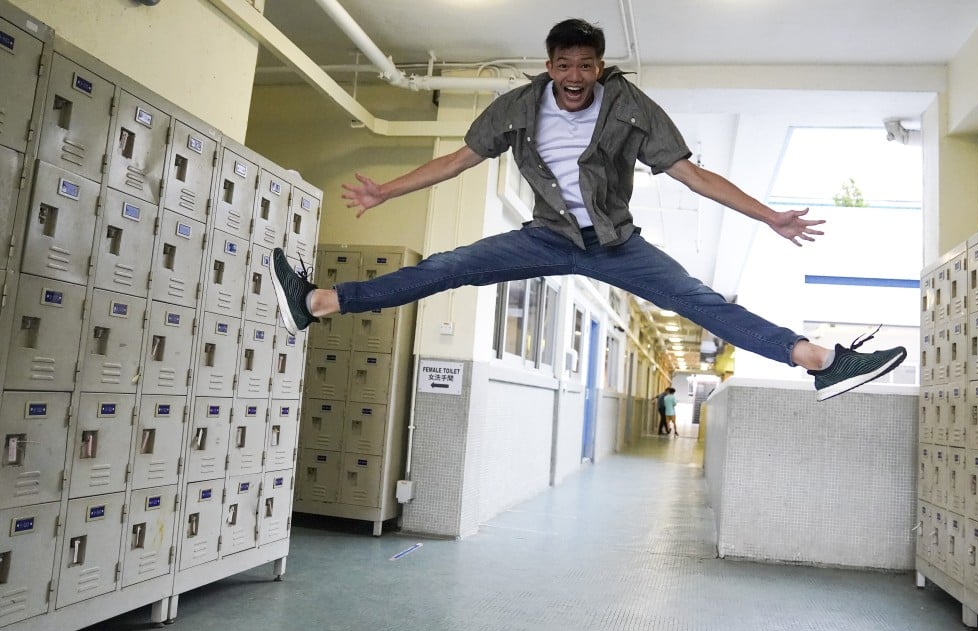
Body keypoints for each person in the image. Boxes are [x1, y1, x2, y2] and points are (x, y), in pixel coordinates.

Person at [270, 18, 906, 402]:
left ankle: (821, 362)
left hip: (616, 244)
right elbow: (457, 162)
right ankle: (322, 303)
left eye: (587, 65)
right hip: (545, 237)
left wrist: (767, 216)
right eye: (564, 65)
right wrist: (387, 191)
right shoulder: (517, 109)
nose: (575, 76)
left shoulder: (632, 108)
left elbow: (693, 175)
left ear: (600, 68)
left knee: (704, 302)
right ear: (549, 67)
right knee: (448, 266)